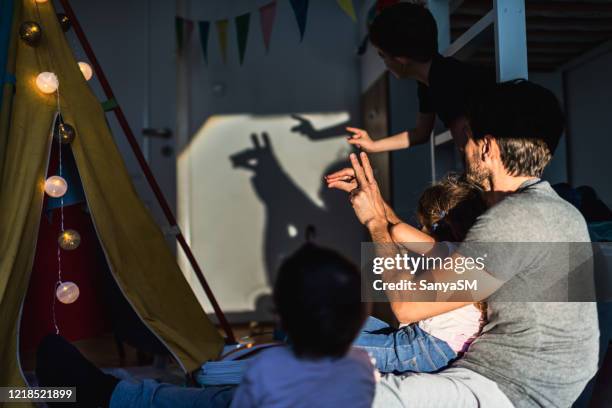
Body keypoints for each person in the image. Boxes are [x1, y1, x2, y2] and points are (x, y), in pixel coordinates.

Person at [330, 80, 599, 407]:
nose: (462, 148)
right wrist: (375, 203)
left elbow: (408, 305)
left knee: (323, 391)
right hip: (528, 381)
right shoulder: (559, 211)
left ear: (487, 147)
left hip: (505, 387)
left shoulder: (513, 220)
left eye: (467, 137)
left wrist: (374, 222)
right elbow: (432, 252)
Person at [36, 244, 376, 408]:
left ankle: (106, 395)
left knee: (207, 400)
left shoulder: (270, 367)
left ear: (281, 317)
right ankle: (114, 391)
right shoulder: (362, 366)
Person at [354, 174, 488, 374]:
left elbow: (398, 231)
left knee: (326, 343)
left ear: (439, 226)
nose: (418, 229)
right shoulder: (470, 256)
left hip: (429, 348)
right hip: (436, 347)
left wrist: (375, 219)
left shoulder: (447, 249)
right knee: (344, 323)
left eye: (422, 225)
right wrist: (374, 200)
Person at [343, 3, 495, 153]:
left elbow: (471, 150)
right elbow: (421, 133)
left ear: (401, 59)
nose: (385, 64)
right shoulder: (428, 80)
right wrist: (373, 145)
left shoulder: (444, 81)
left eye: (383, 56)